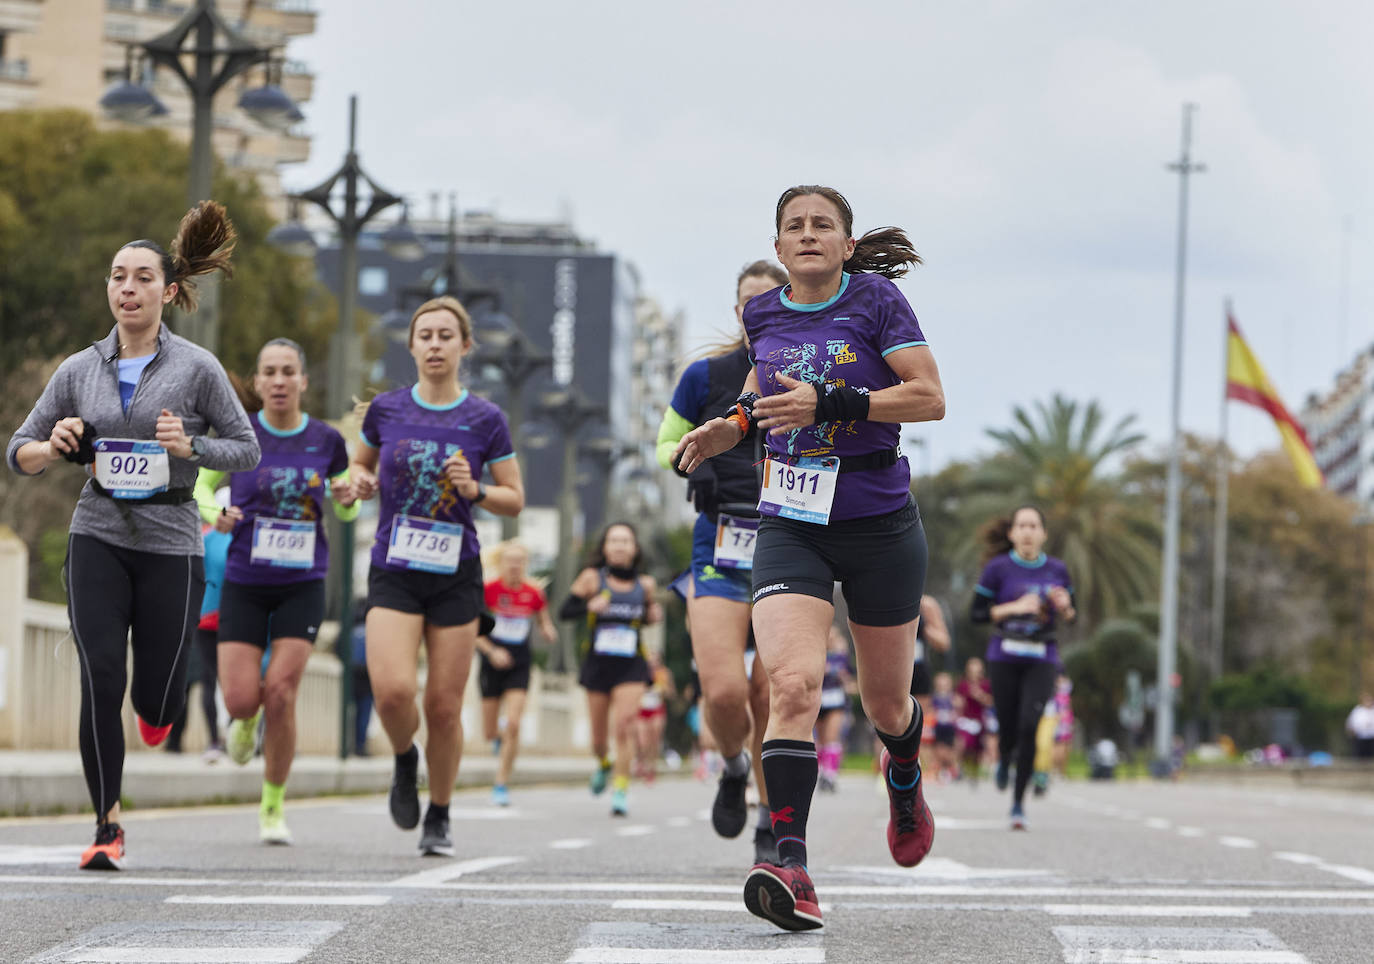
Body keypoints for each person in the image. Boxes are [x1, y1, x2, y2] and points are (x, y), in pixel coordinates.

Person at [673, 184, 944, 931]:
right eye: (794, 226)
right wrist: (730, 426)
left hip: (879, 519)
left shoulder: (878, 303)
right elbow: (762, 393)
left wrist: (833, 402)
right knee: (791, 683)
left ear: (847, 244)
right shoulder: (764, 313)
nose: (808, 234)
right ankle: (788, 861)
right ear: (781, 244)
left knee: (886, 704)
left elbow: (928, 398)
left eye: (823, 224)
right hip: (792, 517)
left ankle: (904, 774)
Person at [6, 201, 259, 870]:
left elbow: (247, 449)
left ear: (168, 291)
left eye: (142, 276)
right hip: (97, 533)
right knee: (99, 674)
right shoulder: (77, 370)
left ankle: (161, 712)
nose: (127, 288)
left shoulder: (197, 368)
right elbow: (19, 449)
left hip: (171, 541)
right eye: (117, 276)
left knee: (155, 696)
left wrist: (192, 444)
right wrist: (52, 443)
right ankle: (106, 823)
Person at [349, 295, 524, 856]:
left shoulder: (485, 419)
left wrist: (475, 490)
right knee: (394, 690)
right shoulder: (387, 411)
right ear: (412, 344)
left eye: (446, 336)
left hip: (455, 573)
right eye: (425, 335)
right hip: (394, 569)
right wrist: (358, 482)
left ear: (464, 346)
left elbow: (515, 499)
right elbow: (360, 465)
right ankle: (405, 761)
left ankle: (440, 814)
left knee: (444, 707)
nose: (434, 345)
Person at [194, 337, 359, 844]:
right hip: (245, 581)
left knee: (282, 694)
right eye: (270, 372)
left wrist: (349, 498)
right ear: (259, 382)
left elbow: (347, 504)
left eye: (289, 371)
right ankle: (243, 723)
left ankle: (273, 805)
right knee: (242, 700)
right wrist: (213, 513)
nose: (280, 380)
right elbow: (200, 487)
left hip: (302, 584)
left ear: (303, 381)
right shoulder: (240, 436)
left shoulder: (327, 441)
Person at [655, 260, 787, 861]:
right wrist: (697, 467)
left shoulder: (805, 373)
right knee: (727, 693)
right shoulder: (706, 376)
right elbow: (665, 444)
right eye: (746, 302)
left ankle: (769, 822)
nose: (755, 310)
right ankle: (733, 765)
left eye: (769, 299)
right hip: (719, 547)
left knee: (771, 697)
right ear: (737, 311)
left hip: (789, 547)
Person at [971, 505, 1076, 830]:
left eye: (1034, 526)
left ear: (1043, 533)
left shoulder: (1058, 570)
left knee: (1031, 724)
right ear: (1012, 533)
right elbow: (976, 614)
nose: (1028, 531)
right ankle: (1004, 757)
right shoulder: (998, 569)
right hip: (1004, 656)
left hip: (1042, 657)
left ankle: (1018, 804)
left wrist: (1065, 607)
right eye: (1022, 526)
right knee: (1008, 723)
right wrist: (1013, 608)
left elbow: (1073, 616)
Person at [566, 522, 663, 817]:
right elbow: (565, 612)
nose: (620, 546)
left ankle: (620, 789)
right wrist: (588, 607)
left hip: (631, 664)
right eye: (614, 540)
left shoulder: (645, 585)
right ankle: (604, 763)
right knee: (598, 739)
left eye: (625, 541)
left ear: (635, 548)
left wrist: (651, 615)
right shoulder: (591, 578)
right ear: (605, 547)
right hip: (598, 663)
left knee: (625, 724)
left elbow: (645, 616)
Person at [476, 540, 557, 806]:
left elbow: (543, 620)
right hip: (492, 661)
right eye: (510, 561)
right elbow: (472, 631)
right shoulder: (489, 590)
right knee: (489, 732)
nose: (514, 566)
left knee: (513, 723)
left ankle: (501, 783)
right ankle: (498, 738)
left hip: (519, 662)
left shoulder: (533, 593)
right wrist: (491, 652)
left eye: (519, 561)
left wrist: (547, 630)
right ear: (500, 563)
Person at [165, 518, 229, 761]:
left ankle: (210, 740)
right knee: (220, 681)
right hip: (227, 617)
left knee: (203, 682)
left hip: (201, 616)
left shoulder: (202, 537)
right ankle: (223, 737)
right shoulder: (237, 539)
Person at [914, 595, 951, 772]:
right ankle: (884, 771)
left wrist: (924, 627)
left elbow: (944, 643)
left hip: (918, 671)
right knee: (885, 722)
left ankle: (917, 770)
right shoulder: (886, 597)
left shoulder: (926, 604)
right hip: (889, 667)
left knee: (917, 723)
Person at [816, 626, 854, 792]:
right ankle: (821, 772)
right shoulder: (816, 655)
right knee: (821, 739)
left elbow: (849, 679)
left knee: (832, 736)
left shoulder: (841, 658)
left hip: (835, 700)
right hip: (818, 699)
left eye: (834, 635)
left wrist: (844, 679)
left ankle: (830, 774)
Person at [635, 650, 675, 783]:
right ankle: (641, 761)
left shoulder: (664, 673)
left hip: (657, 709)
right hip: (642, 710)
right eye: (650, 660)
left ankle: (651, 768)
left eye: (655, 659)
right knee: (643, 741)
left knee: (654, 740)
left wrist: (663, 690)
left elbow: (671, 693)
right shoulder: (640, 673)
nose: (653, 662)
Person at [955, 657, 993, 783]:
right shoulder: (963, 684)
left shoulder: (986, 684)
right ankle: (959, 768)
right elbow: (957, 699)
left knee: (978, 748)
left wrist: (979, 695)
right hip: (965, 719)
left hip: (979, 720)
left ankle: (974, 771)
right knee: (962, 743)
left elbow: (990, 702)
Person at [930, 671, 959, 783]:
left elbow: (957, 709)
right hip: (939, 727)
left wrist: (954, 713)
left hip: (949, 728)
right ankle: (940, 770)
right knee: (939, 750)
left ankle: (951, 770)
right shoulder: (935, 698)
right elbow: (931, 710)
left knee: (950, 750)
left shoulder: (952, 697)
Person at [1347, 692, 1374, 759]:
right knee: (1359, 757)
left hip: (1372, 737)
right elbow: (1351, 722)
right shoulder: (1357, 710)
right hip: (1360, 737)